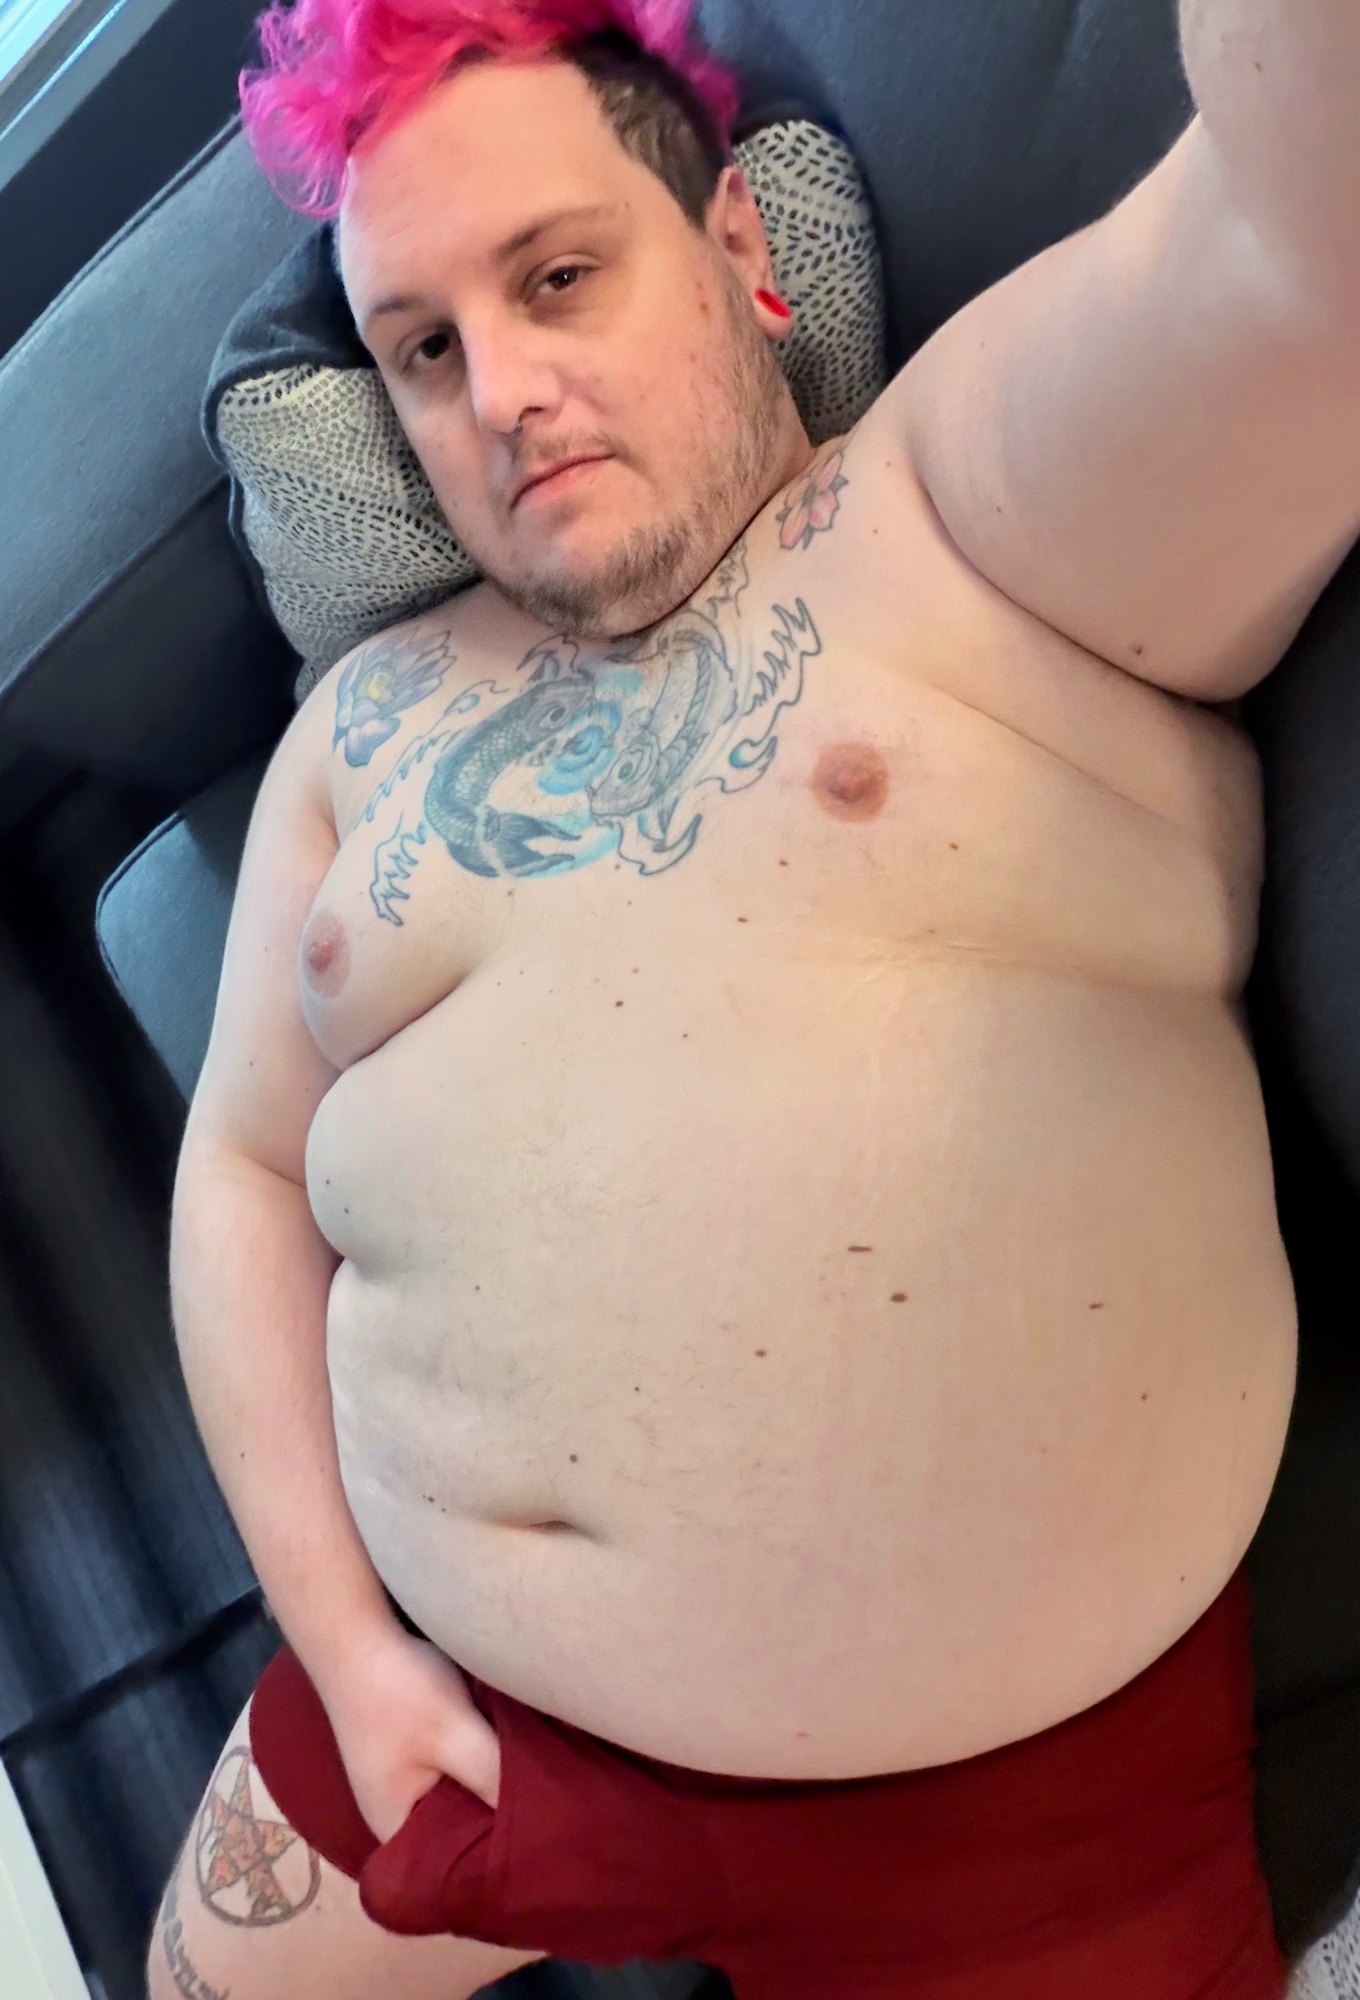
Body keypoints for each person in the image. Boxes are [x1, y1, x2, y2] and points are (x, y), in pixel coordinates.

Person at [148, 0, 1360, 1994]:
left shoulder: (953, 508)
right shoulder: (355, 729)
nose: (501, 394)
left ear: (735, 245)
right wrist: (347, 1648)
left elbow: (1304, 241)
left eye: (558, 277)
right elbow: (245, 1172)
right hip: (452, 1719)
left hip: (1010, 1820)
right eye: (423, 349)